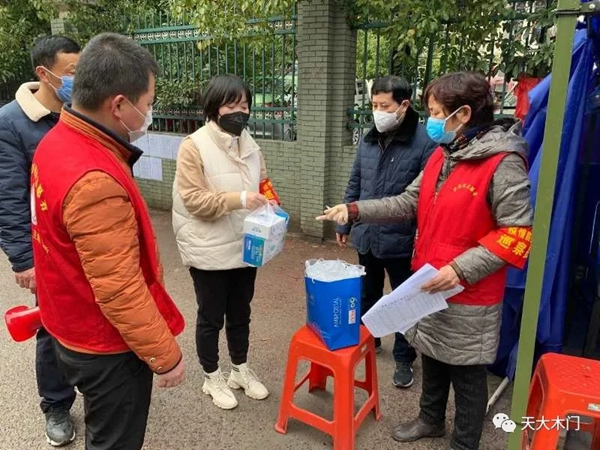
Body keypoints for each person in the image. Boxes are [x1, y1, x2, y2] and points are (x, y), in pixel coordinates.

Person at [318, 71, 533, 450]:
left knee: (467, 372)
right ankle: (430, 419)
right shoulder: (443, 155)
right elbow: (406, 202)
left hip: (469, 290)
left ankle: (465, 442)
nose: (431, 120)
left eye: (436, 112)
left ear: (462, 114)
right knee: (432, 355)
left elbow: (516, 233)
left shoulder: (503, 162)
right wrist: (353, 210)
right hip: (428, 280)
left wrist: (459, 269)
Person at [30, 33, 185, 450]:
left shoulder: (55, 142)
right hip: (104, 344)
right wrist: (164, 355)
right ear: (118, 104)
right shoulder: (94, 177)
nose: (149, 113)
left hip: (67, 322)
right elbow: (119, 288)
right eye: (148, 104)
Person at [173, 74, 277, 410]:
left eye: (245, 105)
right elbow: (195, 201)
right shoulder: (194, 145)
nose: (240, 111)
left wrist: (271, 200)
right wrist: (242, 199)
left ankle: (240, 370)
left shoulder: (250, 143)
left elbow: (262, 183)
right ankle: (211, 376)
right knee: (211, 317)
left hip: (246, 245)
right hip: (209, 249)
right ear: (214, 106)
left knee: (240, 313)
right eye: (232, 104)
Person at [0, 35, 80, 447]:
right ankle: (56, 404)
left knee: (96, 315)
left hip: (86, 243)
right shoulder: (12, 122)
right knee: (51, 328)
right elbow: (9, 195)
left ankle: (97, 386)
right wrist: (23, 260)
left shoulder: (81, 113)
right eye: (70, 72)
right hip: (46, 251)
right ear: (43, 74)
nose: (77, 79)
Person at [337, 75, 435, 388]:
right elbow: (355, 182)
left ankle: (405, 358)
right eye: (374, 104)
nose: (378, 111)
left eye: (385, 105)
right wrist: (345, 221)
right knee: (368, 292)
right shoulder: (369, 139)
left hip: (402, 240)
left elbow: (425, 199)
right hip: (366, 235)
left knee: (404, 301)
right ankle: (370, 340)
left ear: (404, 105)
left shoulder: (425, 144)